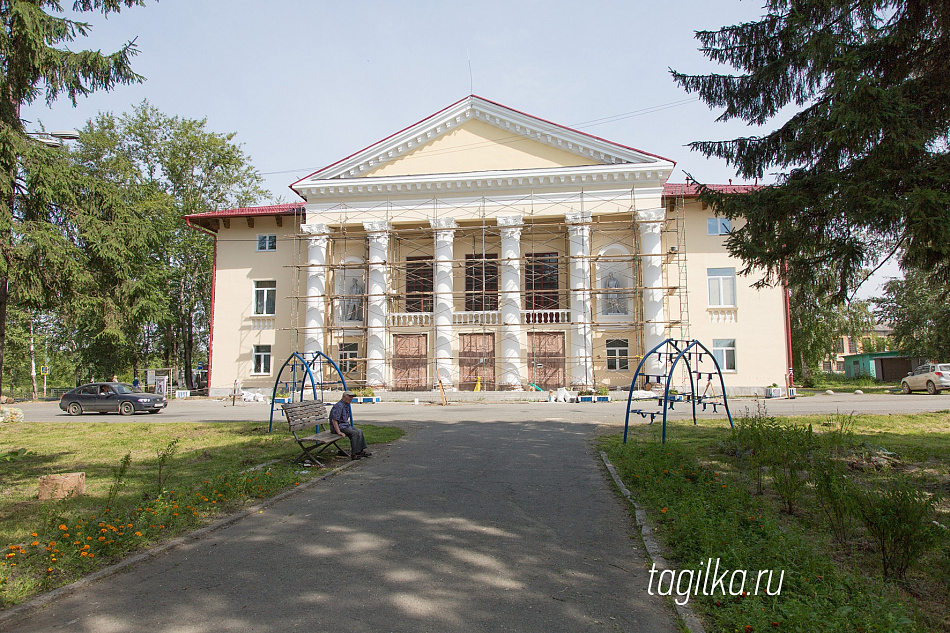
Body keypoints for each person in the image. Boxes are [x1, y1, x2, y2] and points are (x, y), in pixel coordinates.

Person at [329, 391, 372, 459]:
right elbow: (334, 420)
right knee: (354, 433)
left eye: (352, 397)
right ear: (344, 396)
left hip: (345, 426)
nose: (351, 398)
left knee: (359, 431)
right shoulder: (339, 406)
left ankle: (360, 451)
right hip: (338, 427)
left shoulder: (345, 405)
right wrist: (339, 432)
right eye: (349, 396)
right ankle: (354, 454)